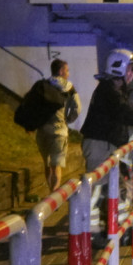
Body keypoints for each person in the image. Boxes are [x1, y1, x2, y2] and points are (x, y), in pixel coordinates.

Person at [80, 48, 133, 230]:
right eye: (131, 69)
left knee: (114, 187)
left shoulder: (114, 90)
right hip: (99, 145)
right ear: (120, 69)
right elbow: (125, 111)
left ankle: (118, 228)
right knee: (97, 189)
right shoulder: (109, 92)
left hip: (106, 145)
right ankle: (90, 232)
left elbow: (129, 109)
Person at [35, 58, 81, 192]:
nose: (68, 74)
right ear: (61, 71)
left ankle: (51, 192)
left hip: (42, 131)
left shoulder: (41, 85)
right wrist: (68, 119)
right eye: (67, 71)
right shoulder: (69, 87)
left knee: (47, 164)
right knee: (56, 166)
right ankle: (54, 195)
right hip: (59, 131)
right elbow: (77, 108)